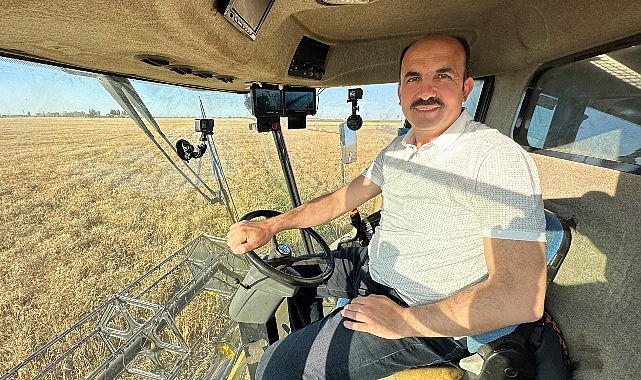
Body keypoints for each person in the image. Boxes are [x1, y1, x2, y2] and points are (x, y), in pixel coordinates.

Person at [227, 34, 547, 379]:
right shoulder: (398, 149)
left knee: (276, 368)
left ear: (466, 88)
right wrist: (271, 226)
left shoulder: (495, 158)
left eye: (443, 75)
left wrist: (402, 320)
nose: (426, 90)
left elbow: (521, 297)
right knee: (283, 276)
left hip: (420, 310)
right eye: (414, 77)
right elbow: (341, 199)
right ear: (400, 90)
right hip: (372, 267)